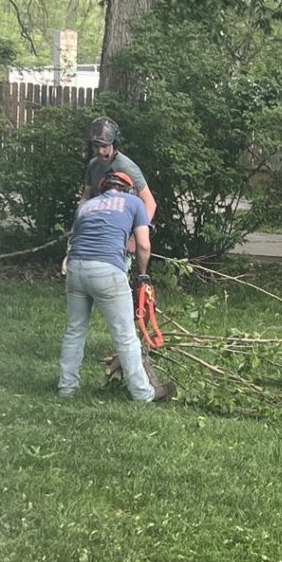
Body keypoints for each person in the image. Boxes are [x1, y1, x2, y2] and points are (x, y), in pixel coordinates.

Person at [59, 169, 175, 403]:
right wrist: (142, 275)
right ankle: (143, 394)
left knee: (75, 330)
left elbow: (76, 236)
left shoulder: (86, 206)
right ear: (128, 189)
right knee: (125, 335)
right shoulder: (133, 202)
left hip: (75, 269)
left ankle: (66, 388)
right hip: (107, 271)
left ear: (104, 188)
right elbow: (143, 245)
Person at [80, 117, 157, 251]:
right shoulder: (93, 165)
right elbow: (86, 197)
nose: (100, 151)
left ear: (114, 144)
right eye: (96, 146)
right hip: (101, 228)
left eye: (104, 146)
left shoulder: (126, 167)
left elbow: (150, 203)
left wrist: (135, 236)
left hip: (123, 229)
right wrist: (79, 223)